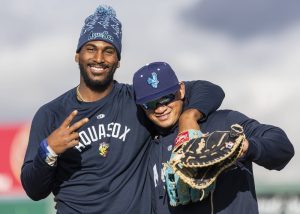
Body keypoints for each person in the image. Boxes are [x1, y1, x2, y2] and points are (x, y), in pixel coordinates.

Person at [20, 5, 225, 214]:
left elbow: (209, 89)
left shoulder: (139, 101)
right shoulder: (51, 113)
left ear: (117, 61)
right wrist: (49, 151)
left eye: (108, 51)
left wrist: (189, 117)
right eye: (91, 48)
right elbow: (34, 190)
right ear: (77, 55)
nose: (99, 58)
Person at [132, 61, 295, 214]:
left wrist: (245, 147)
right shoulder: (147, 144)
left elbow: (283, 147)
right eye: (150, 104)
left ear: (181, 90)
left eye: (166, 98)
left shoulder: (223, 122)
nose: (160, 108)